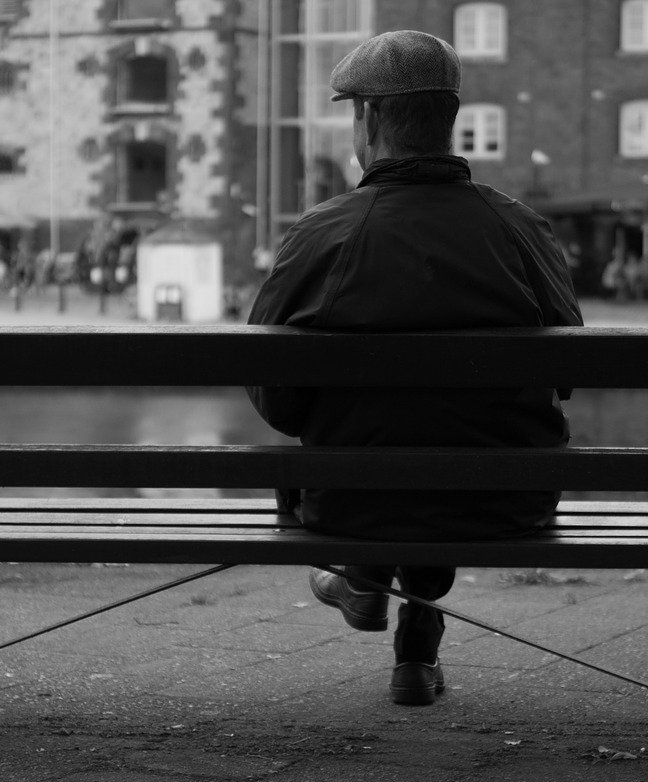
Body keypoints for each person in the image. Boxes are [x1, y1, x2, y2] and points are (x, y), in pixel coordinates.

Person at [246, 30, 583, 707]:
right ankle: (415, 641)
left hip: (348, 502)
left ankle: (365, 576)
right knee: (455, 438)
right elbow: (566, 371)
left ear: (368, 119)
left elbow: (276, 398)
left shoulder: (322, 233)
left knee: (375, 447)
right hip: (504, 502)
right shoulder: (519, 229)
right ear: (448, 118)